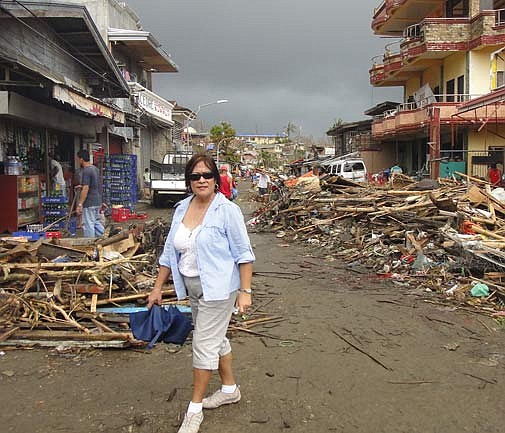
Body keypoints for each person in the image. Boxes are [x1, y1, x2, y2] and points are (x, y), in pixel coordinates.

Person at [148, 154, 255, 433]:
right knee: (215, 340)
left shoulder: (227, 210)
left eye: (207, 175)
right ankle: (230, 389)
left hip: (219, 289)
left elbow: (244, 254)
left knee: (203, 344)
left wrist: (245, 291)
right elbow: (169, 252)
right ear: (189, 181)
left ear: (216, 180)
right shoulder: (182, 208)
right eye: (195, 176)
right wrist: (158, 288)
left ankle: (194, 410)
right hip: (192, 287)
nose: (202, 180)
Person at [75, 149, 104, 238]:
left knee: (88, 224)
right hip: (97, 201)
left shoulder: (86, 171)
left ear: (81, 159)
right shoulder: (95, 169)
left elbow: (86, 189)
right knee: (95, 222)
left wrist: (80, 204)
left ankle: (89, 245)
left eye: (78, 159)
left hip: (90, 202)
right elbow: (97, 185)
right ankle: (106, 237)